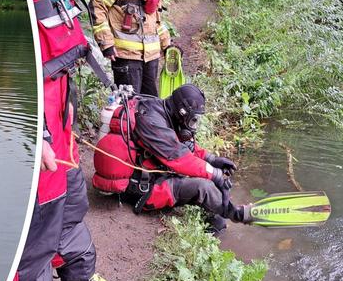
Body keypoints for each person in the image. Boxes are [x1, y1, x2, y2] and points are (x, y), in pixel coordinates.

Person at [2, 0, 133, 281]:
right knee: (33, 248)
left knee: (71, 201)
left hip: (57, 103)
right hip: (34, 121)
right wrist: (34, 129)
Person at [92, 84, 245, 232]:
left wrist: (210, 159)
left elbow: (182, 146)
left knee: (207, 177)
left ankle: (220, 216)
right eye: (193, 120)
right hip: (140, 189)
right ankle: (235, 215)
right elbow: (180, 159)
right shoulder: (152, 122)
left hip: (149, 173)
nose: (194, 125)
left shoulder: (164, 110)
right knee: (203, 187)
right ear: (182, 112)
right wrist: (216, 175)